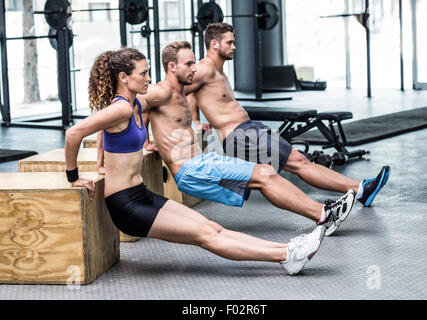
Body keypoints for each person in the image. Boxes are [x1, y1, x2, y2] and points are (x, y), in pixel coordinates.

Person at [64, 47, 326, 276]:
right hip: (127, 206)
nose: (148, 78)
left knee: (211, 226)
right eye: (143, 73)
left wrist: (102, 162)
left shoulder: (131, 105)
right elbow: (73, 133)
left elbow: (103, 129)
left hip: (140, 194)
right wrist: (74, 177)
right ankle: (287, 254)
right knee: (207, 236)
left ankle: (289, 251)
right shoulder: (120, 108)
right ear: (124, 77)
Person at [141, 41, 356, 238]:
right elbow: (130, 104)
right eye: (188, 64)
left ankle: (322, 213)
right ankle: (324, 214)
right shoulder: (161, 91)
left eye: (194, 63)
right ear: (172, 67)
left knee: (266, 172)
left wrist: (148, 138)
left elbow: (145, 112)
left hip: (201, 164)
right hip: (190, 170)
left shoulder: (180, 92)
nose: (194, 69)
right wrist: (143, 141)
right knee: (264, 174)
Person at [185, 22, 390, 208]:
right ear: (214, 44)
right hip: (243, 135)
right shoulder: (204, 69)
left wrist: (195, 121)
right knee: (299, 163)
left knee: (270, 179)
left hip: (245, 133)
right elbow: (177, 91)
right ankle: (360, 190)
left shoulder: (218, 72)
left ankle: (340, 201)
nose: (234, 47)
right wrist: (181, 125)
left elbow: (191, 93)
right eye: (229, 42)